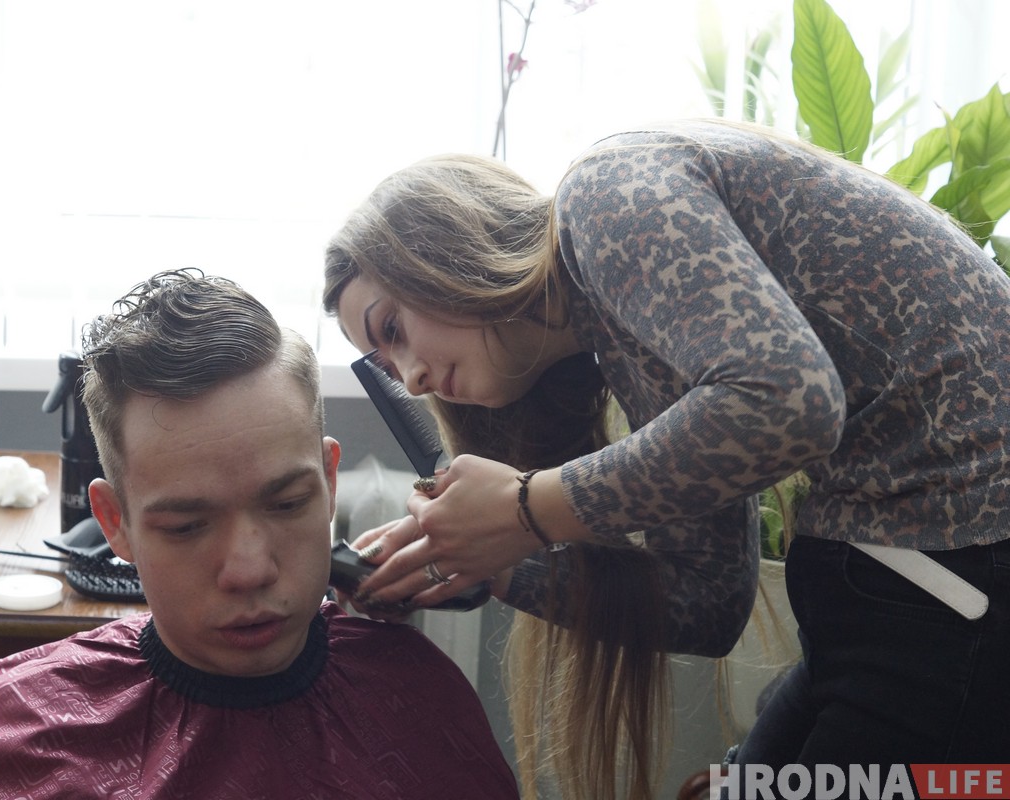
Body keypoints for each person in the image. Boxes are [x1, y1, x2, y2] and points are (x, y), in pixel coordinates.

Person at [322, 120, 1010, 800]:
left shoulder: (607, 192)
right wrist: (491, 565)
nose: (412, 380)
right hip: (889, 590)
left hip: (963, 563)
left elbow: (792, 400)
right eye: (388, 367)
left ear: (444, 251)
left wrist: (526, 508)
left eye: (393, 329)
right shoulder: (626, 342)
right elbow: (709, 602)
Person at [0, 269, 520, 800]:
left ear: (330, 483)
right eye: (186, 526)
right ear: (114, 524)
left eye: (286, 504)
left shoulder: (420, 697)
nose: (249, 569)